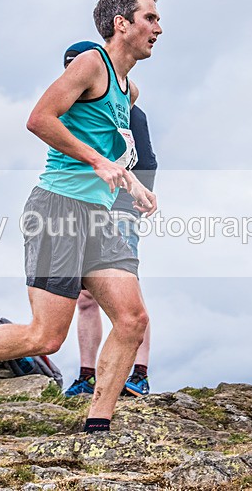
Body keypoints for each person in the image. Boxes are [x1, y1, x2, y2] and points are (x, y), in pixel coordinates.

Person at [0, 0, 162, 434]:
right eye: (149, 18)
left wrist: (133, 181)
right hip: (57, 210)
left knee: (132, 319)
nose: (158, 28)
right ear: (122, 24)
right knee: (45, 336)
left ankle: (97, 428)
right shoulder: (90, 65)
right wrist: (96, 161)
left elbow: (114, 147)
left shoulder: (129, 89)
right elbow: (39, 118)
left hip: (98, 218)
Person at [59, 42, 157, 399]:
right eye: (68, 67)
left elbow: (145, 158)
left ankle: (138, 374)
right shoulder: (71, 108)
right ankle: (86, 375)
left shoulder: (128, 109)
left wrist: (135, 199)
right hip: (79, 208)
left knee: (126, 291)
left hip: (117, 207)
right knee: (85, 296)